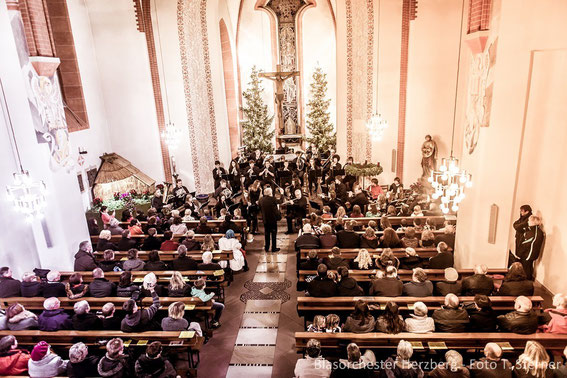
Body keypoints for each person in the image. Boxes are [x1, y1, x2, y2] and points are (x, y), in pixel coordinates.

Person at [514, 215, 545, 280]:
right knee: (528, 267)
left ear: (534, 221)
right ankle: (528, 282)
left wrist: (519, 253)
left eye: (529, 220)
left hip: (529, 253)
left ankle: (527, 283)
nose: (528, 221)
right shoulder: (533, 229)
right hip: (529, 253)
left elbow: (526, 243)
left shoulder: (535, 231)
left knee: (526, 269)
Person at [258, 187, 280, 252]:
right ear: (270, 193)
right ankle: (274, 248)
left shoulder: (261, 200)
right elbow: (278, 204)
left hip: (265, 219)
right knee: (273, 234)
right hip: (273, 219)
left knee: (267, 234)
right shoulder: (273, 199)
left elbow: (259, 207)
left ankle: (267, 247)